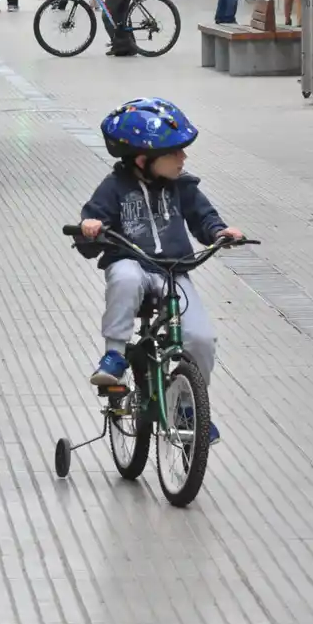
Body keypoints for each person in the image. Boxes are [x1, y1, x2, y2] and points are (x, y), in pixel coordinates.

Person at [78, 97, 242, 444]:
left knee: (200, 338)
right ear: (144, 160)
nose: (183, 159)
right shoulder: (114, 189)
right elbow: (91, 230)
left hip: (172, 270)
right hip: (132, 261)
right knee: (124, 277)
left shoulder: (182, 187)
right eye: (175, 153)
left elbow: (204, 217)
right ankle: (114, 355)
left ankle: (186, 404)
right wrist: (89, 228)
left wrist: (220, 232)